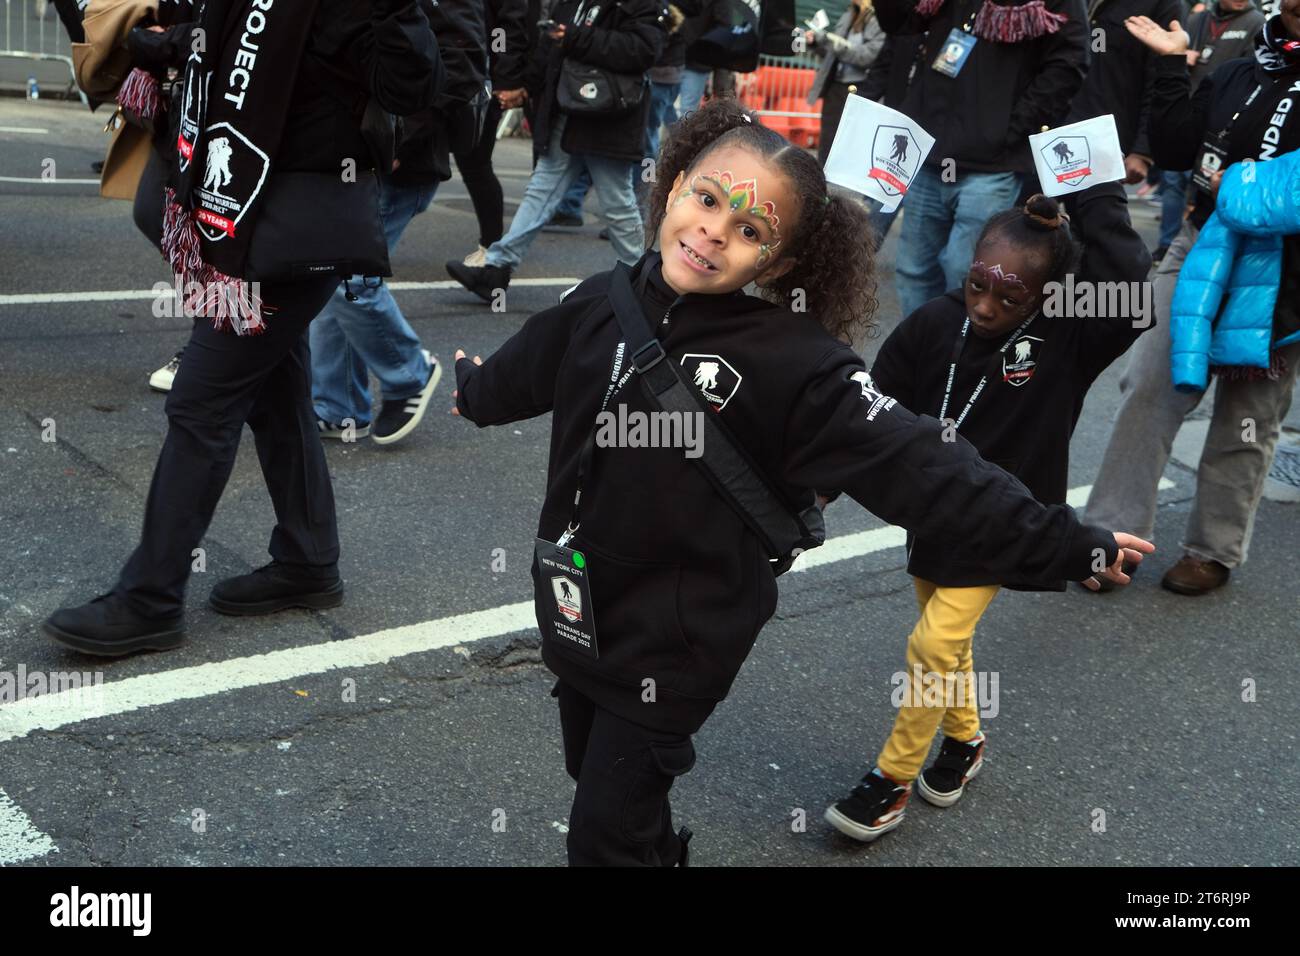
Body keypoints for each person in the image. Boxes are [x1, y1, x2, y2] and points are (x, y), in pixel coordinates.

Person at [449, 98, 1152, 865]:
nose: (715, 230)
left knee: (603, 828)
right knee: (596, 775)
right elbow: (529, 367)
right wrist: (478, 393)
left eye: (751, 230)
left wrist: (1066, 542)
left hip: (681, 634)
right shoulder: (604, 299)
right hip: (579, 603)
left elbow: (925, 466)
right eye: (708, 198)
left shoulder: (798, 365)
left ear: (779, 263)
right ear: (674, 184)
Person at [42, 0, 441, 656]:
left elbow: (414, 85)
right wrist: (158, 45)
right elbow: (216, 47)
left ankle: (149, 599)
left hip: (290, 233)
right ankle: (309, 560)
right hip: (247, 227)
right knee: (276, 394)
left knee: (202, 400)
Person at [824, 195, 1153, 842]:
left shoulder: (1068, 335)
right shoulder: (931, 324)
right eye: (979, 284)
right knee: (947, 641)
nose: (985, 306)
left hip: (1009, 524)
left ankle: (889, 780)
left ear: (1049, 296)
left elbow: (1133, 297)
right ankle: (966, 740)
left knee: (934, 642)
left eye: (1012, 298)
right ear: (969, 266)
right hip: (933, 515)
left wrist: (1093, 200)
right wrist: (818, 491)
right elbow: (871, 414)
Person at [1083, 4, 1300, 595]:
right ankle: (1111, 538)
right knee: (1148, 384)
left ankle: (1212, 551)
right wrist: (1175, 64)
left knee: (1247, 415)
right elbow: (1180, 149)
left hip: (1287, 274)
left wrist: (1249, 186)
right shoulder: (1240, 67)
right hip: (1198, 245)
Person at [874, 0, 1090, 319]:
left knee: (967, 273)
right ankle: (921, 357)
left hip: (992, 166)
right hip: (930, 150)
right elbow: (899, 21)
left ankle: (959, 363)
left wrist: (1011, 127)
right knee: (913, 271)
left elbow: (1069, 62)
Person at [444, 0, 667, 301]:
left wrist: (576, 38)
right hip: (568, 109)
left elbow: (643, 50)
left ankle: (646, 281)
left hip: (606, 114)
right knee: (542, 189)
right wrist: (526, 87)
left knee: (616, 201)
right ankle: (496, 267)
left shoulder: (639, 5)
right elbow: (552, 47)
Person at [1153, 0, 1266, 262]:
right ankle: (1167, 243)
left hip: (1224, 125)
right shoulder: (1197, 20)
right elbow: (1177, 50)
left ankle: (1201, 249)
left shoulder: (1255, 22)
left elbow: (1253, 69)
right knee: (1173, 182)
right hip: (1189, 111)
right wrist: (1182, 56)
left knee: (1204, 189)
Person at [456, 0, 532, 266]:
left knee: (475, 164)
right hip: (452, 68)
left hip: (479, 76)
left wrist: (507, 79)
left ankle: (491, 249)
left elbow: (512, 23)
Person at [805, 0, 888, 164]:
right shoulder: (847, 15)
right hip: (836, 86)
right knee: (828, 139)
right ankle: (823, 181)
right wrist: (816, 42)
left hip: (862, 89)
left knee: (853, 140)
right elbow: (833, 54)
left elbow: (866, 57)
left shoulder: (880, 20)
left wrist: (830, 41)